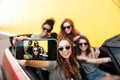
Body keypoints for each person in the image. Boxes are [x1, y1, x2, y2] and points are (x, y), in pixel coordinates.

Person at [18, 37, 82, 80]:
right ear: (57, 50)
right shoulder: (55, 63)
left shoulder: (75, 63)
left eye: (67, 47)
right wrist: (26, 44)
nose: (65, 50)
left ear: (71, 48)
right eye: (61, 48)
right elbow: (27, 62)